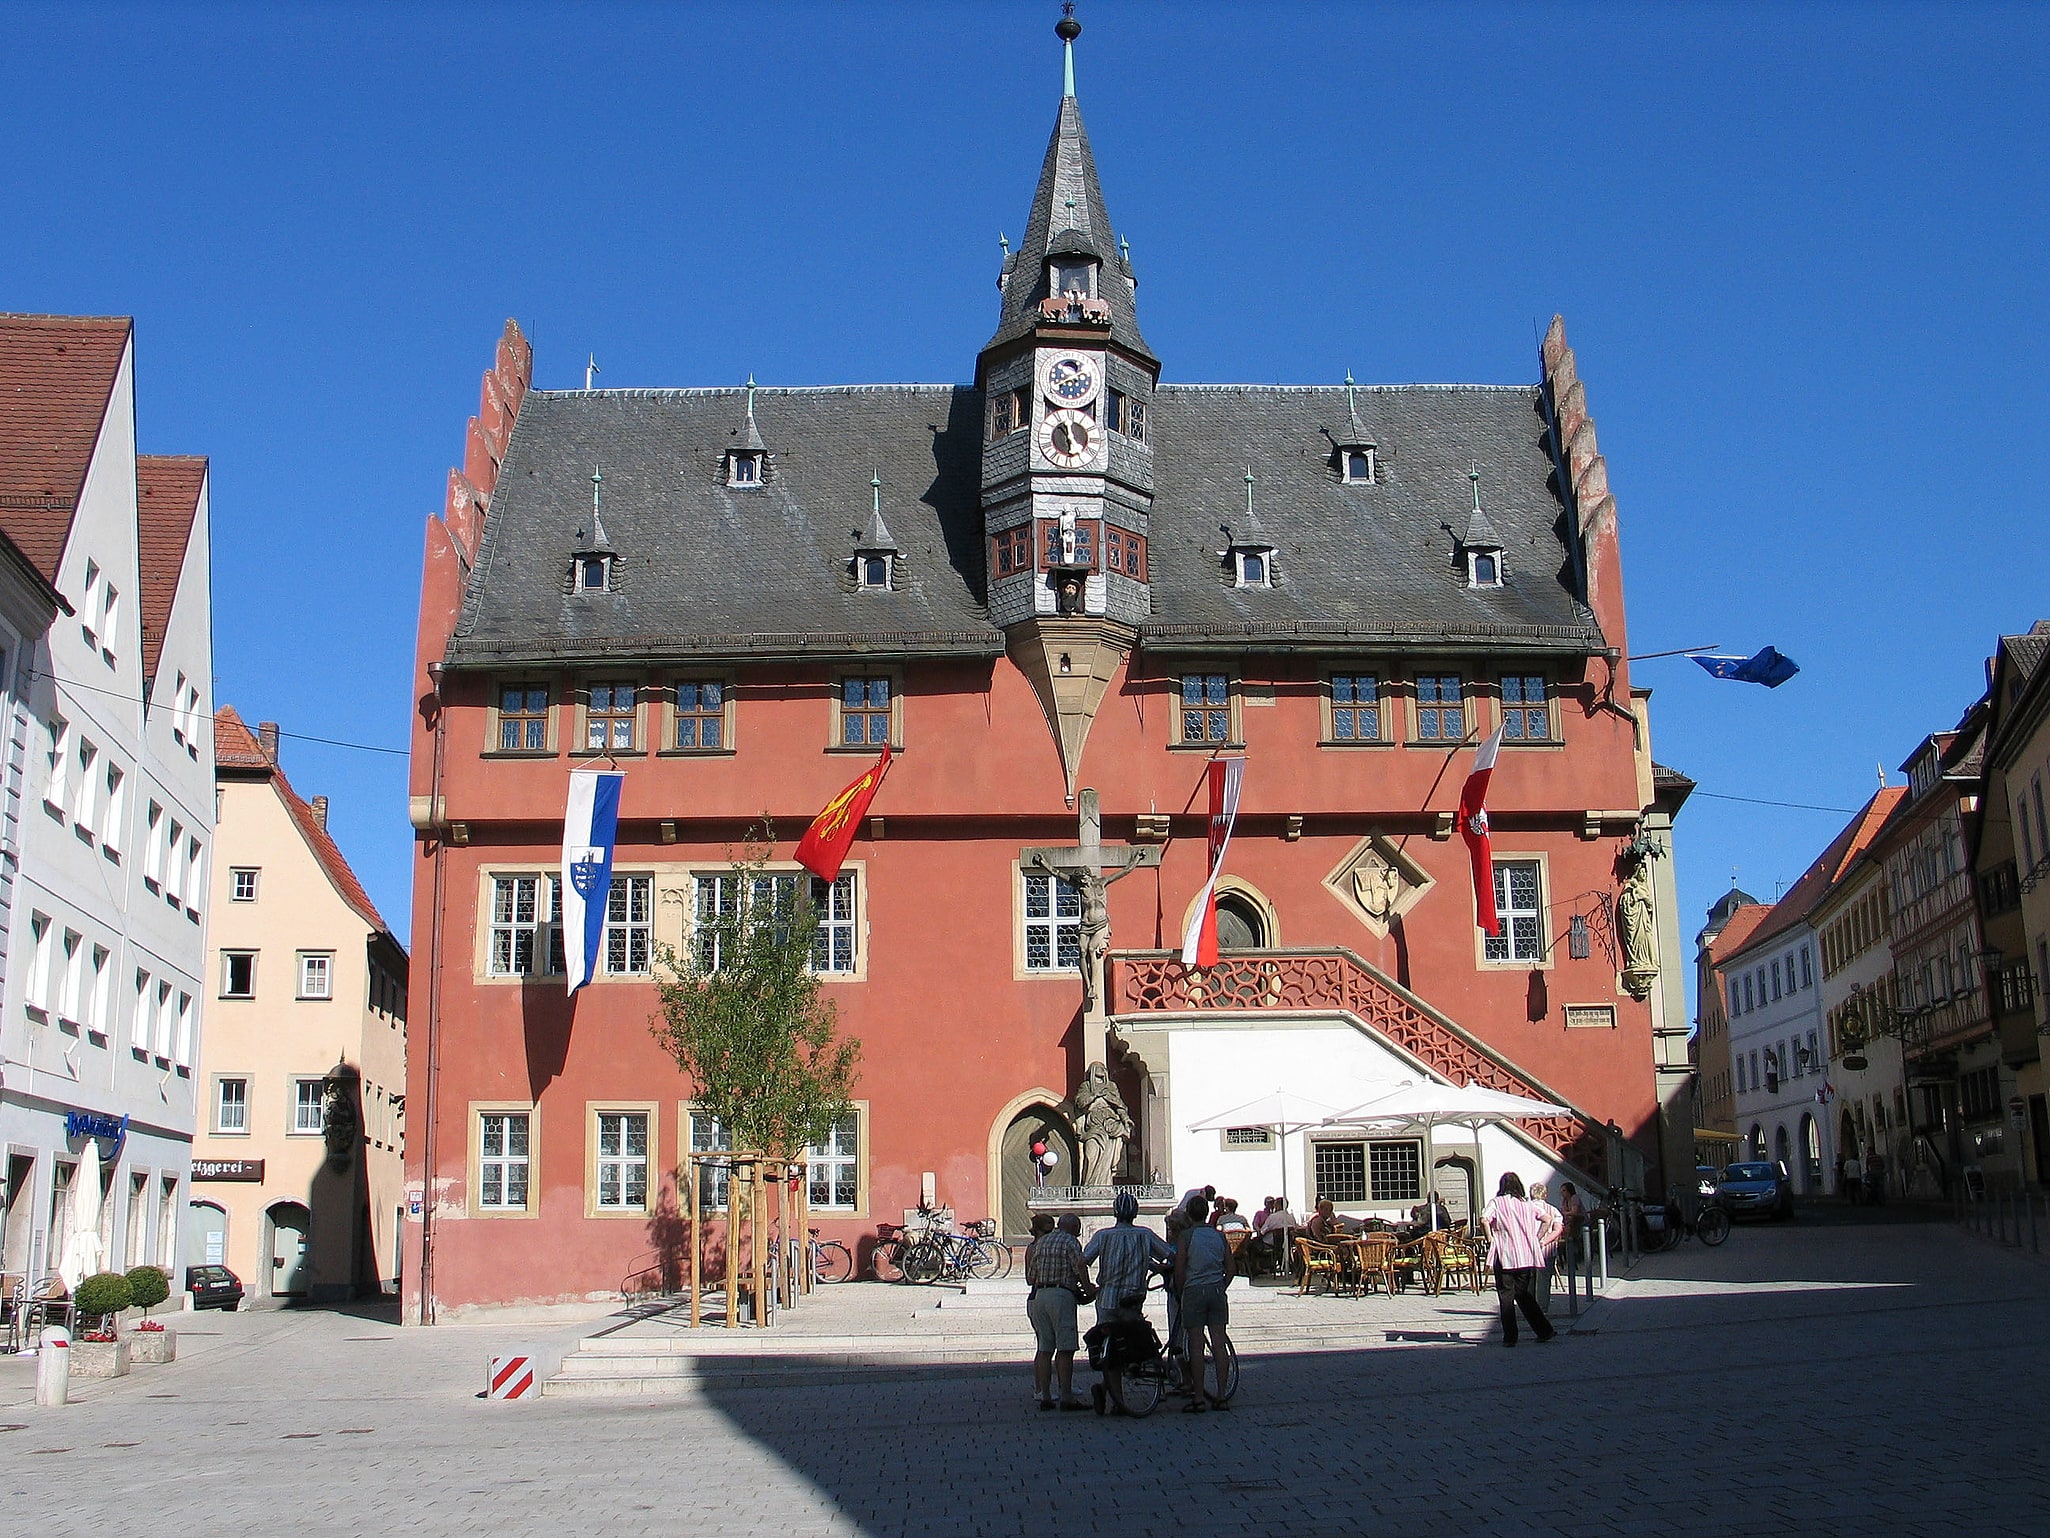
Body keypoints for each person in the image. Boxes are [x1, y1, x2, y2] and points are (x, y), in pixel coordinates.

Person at [1081, 1189, 1172, 1415]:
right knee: (1134, 1341)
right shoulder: (1145, 1234)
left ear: (1115, 1213)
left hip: (1107, 1298)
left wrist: (1089, 1286)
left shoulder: (1103, 1236)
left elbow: (1082, 1261)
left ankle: (1115, 1398)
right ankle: (1127, 1381)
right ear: (1135, 1212)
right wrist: (1158, 1268)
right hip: (1133, 1298)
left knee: (1110, 1347)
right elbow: (1168, 1254)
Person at [1482, 1172, 1559, 1347]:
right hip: (1525, 1255)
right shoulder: (1527, 1204)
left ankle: (1510, 1337)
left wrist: (1490, 1238)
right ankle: (1544, 1330)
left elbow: (1485, 1219)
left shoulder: (1497, 1203)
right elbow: (1547, 1219)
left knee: (1506, 1296)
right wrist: (1536, 1237)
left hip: (1505, 1255)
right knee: (1524, 1295)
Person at [1023, 1214, 1091, 1412]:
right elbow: (1079, 1267)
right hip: (1061, 1295)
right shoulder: (1071, 1241)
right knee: (1065, 1348)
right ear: (1073, 1228)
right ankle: (1066, 1395)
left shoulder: (1041, 1242)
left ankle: (1044, 1395)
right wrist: (1088, 1289)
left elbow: (1031, 1276)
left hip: (1040, 1296)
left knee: (1044, 1348)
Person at [1175, 1194, 1234, 1411]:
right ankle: (1221, 1395)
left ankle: (1198, 1397)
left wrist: (1181, 1291)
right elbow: (1231, 1268)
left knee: (1196, 1345)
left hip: (1194, 1290)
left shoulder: (1186, 1237)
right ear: (1207, 1213)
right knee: (1219, 1344)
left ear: (1189, 1215)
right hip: (1216, 1289)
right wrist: (1221, 1285)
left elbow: (1180, 1268)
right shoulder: (1219, 1236)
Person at [1528, 1181, 1563, 1313]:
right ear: (1545, 1194)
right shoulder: (1553, 1210)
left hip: (1527, 1249)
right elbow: (1558, 1229)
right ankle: (1543, 1307)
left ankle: (1530, 1307)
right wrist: (1545, 1240)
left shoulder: (1524, 1208)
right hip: (1547, 1250)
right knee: (1544, 1280)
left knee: (1529, 1279)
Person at [1558, 1182, 1585, 1272]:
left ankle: (1570, 1254)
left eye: (1564, 1190)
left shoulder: (1574, 1198)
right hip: (1570, 1222)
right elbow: (1563, 1210)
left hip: (1579, 1222)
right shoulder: (1565, 1200)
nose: (1562, 1193)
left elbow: (1574, 1212)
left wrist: (1566, 1213)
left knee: (1568, 1231)